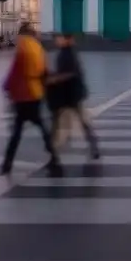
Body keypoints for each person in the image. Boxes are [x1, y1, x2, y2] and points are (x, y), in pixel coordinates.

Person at [0, 23, 53, 175]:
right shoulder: (38, 48)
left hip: (24, 95)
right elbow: (45, 70)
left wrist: (7, 87)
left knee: (17, 131)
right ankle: (53, 154)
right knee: (40, 126)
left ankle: (7, 163)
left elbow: (16, 70)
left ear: (22, 34)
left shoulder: (23, 48)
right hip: (35, 93)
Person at [46, 33, 100, 174]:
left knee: (62, 123)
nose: (57, 40)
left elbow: (70, 73)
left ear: (67, 39)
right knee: (77, 121)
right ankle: (92, 145)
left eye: (59, 38)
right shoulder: (66, 53)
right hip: (69, 94)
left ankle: (53, 153)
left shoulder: (68, 54)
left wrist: (55, 79)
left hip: (70, 94)